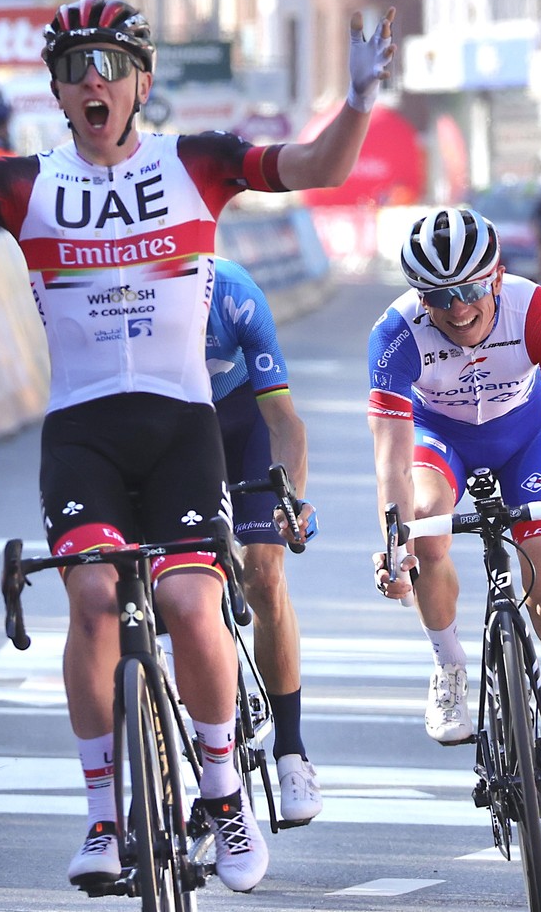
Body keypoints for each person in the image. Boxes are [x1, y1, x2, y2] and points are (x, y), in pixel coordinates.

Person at [0, 0, 395, 894]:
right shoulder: (25, 181)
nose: (94, 81)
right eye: (76, 71)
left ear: (142, 82)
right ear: (60, 94)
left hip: (182, 424)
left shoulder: (198, 163)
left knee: (194, 607)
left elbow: (314, 166)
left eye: (110, 65)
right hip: (83, 433)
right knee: (93, 604)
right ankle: (104, 818)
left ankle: (225, 796)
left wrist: (355, 102)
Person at [367, 206, 541, 874]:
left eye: (470, 290)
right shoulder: (394, 334)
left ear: (497, 277)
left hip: (525, 440)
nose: (457, 309)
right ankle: (450, 663)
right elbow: (391, 458)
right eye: (439, 297)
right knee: (426, 528)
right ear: (420, 297)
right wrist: (392, 541)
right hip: (439, 443)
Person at [206, 257, 320, 824]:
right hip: (172, 431)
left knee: (265, 577)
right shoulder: (120, 297)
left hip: (244, 419)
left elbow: (284, 423)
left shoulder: (234, 294)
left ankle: (292, 750)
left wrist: (288, 502)